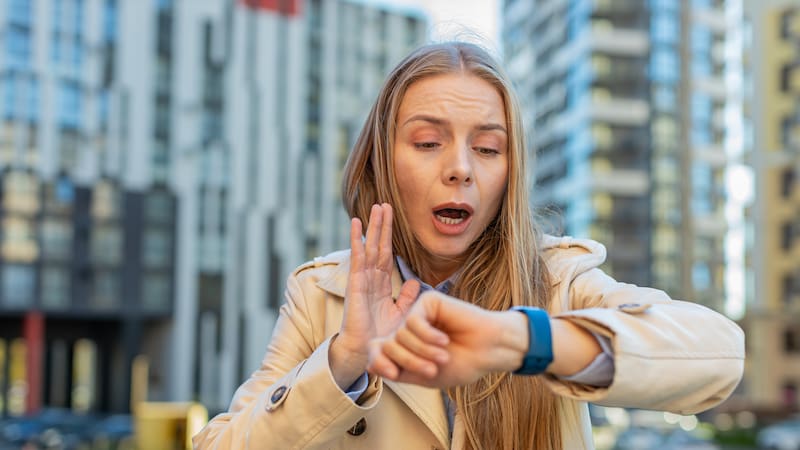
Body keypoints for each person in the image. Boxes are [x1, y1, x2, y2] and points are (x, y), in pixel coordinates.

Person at [193, 41, 744, 450]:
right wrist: (343, 361)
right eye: (429, 142)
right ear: (382, 160)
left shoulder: (557, 279)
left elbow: (719, 356)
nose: (459, 169)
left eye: (487, 148)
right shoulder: (320, 294)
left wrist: (518, 339)